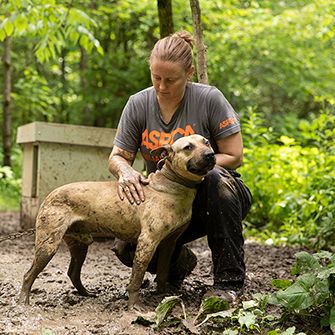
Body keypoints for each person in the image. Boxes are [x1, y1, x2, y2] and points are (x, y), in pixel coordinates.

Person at [108, 30, 252, 302]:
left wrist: (188, 168)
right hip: (167, 201)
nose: (161, 86)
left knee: (214, 177)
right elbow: (117, 156)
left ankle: (228, 283)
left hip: (217, 199)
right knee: (126, 248)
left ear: (189, 72)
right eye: (156, 77)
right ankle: (179, 263)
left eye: (170, 80)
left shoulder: (210, 99)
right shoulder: (138, 104)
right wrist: (125, 171)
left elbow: (234, 155)